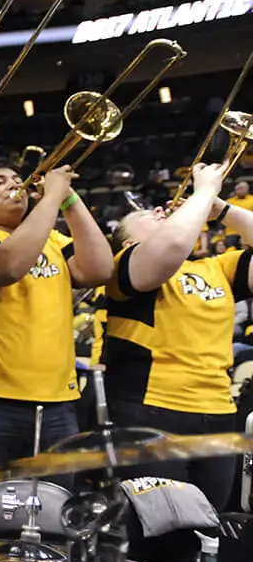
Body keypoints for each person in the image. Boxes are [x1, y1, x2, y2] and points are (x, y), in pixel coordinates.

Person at [0, 164, 114, 471]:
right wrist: (52, 198)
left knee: (53, 506)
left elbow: (100, 269)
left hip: (58, 401)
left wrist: (68, 198)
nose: (14, 186)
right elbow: (3, 267)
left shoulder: (53, 241)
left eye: (17, 181)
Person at [104, 163, 252, 510]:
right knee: (150, 537)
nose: (159, 210)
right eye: (145, 214)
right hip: (151, 414)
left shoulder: (214, 267)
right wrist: (201, 193)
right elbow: (170, 245)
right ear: (129, 240)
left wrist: (221, 208)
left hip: (217, 414)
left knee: (204, 535)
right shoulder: (125, 263)